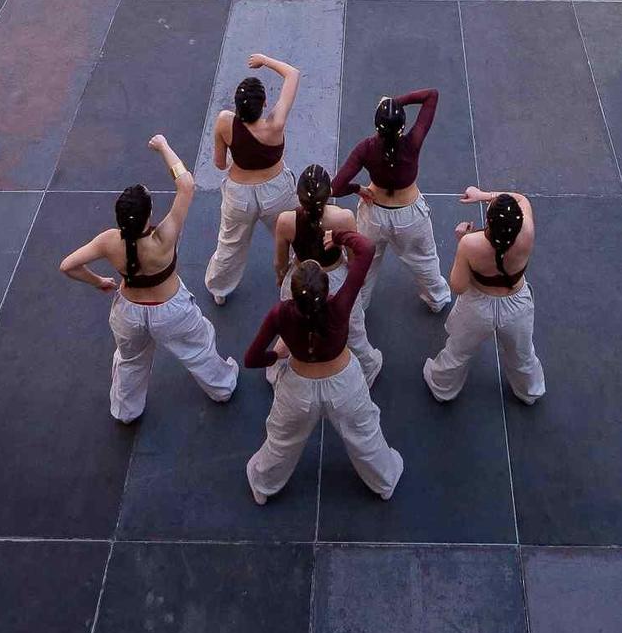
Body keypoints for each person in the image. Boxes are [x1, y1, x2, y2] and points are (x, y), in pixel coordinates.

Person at [60, 134, 237, 426]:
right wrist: (165, 147)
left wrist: (98, 281)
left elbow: (68, 265)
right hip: (171, 311)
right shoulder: (164, 237)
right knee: (198, 347)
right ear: (148, 215)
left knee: (130, 361)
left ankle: (125, 411)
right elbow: (186, 184)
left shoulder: (108, 241)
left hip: (128, 312)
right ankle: (223, 387)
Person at [243, 229, 401, 503]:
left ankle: (264, 485)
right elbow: (366, 249)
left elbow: (251, 359)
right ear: (328, 288)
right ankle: (384, 481)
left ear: (292, 292)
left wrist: (277, 356)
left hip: (297, 389)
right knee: (365, 435)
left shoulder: (280, 314)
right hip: (344, 384)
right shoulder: (340, 306)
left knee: (281, 442)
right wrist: (337, 236)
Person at [423, 185, 545, 406]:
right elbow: (521, 198)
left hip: (477, 307)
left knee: (458, 352)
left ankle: (442, 388)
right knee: (522, 354)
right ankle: (530, 391)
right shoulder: (527, 230)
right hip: (517, 306)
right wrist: (484, 196)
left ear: (489, 223)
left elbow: (458, 286)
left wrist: (462, 239)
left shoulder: (471, 244)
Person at [331, 91, 450, 315]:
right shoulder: (413, 142)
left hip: (374, 214)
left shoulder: (365, 149)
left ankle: (359, 306)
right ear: (403, 126)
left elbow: (335, 187)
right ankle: (437, 299)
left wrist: (357, 189)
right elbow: (431, 96)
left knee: (365, 264)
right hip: (410, 217)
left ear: (377, 126)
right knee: (424, 260)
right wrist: (394, 102)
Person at [271, 164, 381, 386]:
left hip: (300, 278)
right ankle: (367, 367)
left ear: (298, 195)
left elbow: (279, 261)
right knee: (352, 327)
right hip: (336, 278)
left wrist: (282, 277)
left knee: (296, 324)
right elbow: (352, 256)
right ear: (329, 192)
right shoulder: (344, 218)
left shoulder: (285, 220)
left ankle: (279, 371)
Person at [204, 53, 301, 304]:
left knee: (230, 243)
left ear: (237, 106)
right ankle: (296, 282)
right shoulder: (275, 124)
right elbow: (293, 74)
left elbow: (219, 163)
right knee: (293, 235)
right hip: (277, 191)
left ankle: (220, 289)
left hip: (239, 194)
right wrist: (265, 60)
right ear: (264, 103)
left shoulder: (225, 122)